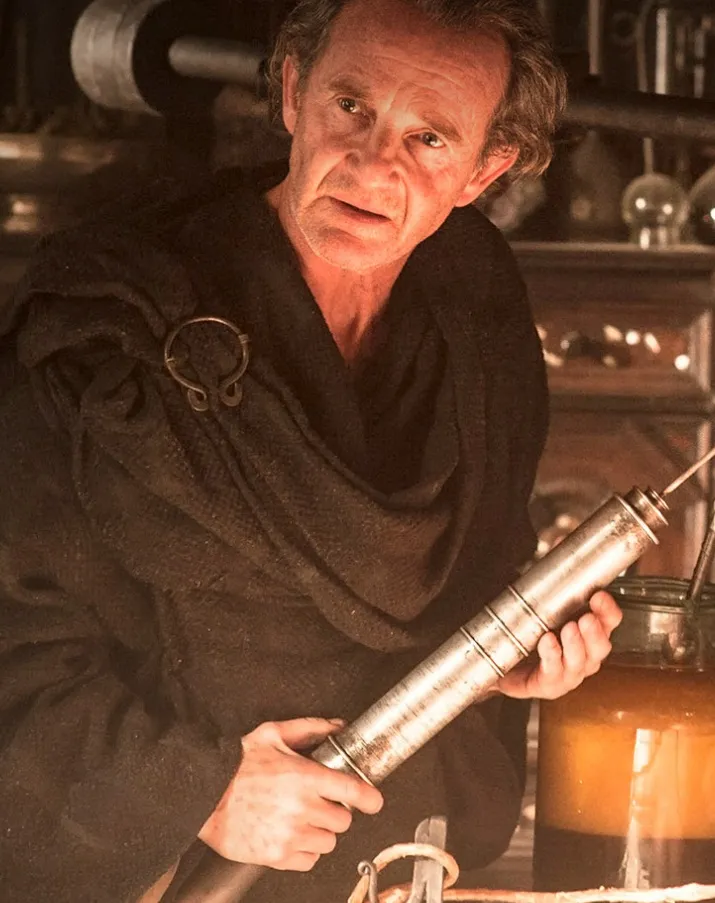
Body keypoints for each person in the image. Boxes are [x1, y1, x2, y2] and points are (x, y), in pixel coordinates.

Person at [0, 0, 623, 901]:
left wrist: (494, 671)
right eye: (351, 107)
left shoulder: (474, 311)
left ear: (486, 170)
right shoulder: (110, 323)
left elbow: (463, 585)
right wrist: (197, 792)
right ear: (293, 91)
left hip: (397, 865)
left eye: (429, 139)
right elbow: (14, 642)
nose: (371, 165)